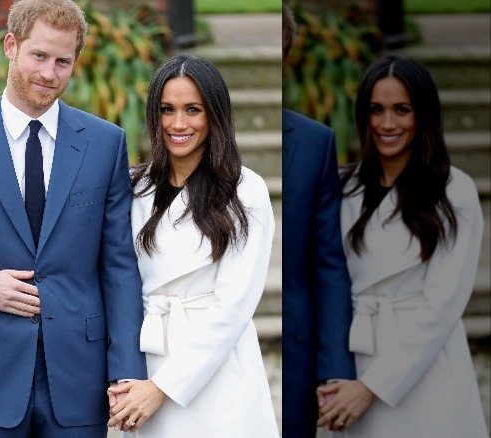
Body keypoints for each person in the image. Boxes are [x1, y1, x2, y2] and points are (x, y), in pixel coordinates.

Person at [0, 0, 147, 436]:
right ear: (11, 46)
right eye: (39, 56)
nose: (49, 74)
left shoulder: (106, 143)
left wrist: (126, 370)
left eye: (63, 61)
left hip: (81, 377)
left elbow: (119, 265)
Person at [105, 53, 279, 437]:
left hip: (215, 373)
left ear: (215, 115)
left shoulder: (245, 190)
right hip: (144, 363)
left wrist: (163, 388)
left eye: (193, 110)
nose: (178, 124)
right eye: (167, 109)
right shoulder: (133, 186)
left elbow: (233, 307)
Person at [315, 54, 487, 437]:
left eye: (401, 110)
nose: (387, 124)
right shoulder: (342, 187)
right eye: (376, 110)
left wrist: (371, 388)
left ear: (423, 115)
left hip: (425, 372)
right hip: (352, 362)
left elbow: (442, 306)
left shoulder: (453, 191)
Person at [280, 3, 357, 437]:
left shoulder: (316, 143)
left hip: (297, 357)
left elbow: (328, 262)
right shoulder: (200, 132)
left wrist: (334, 370)